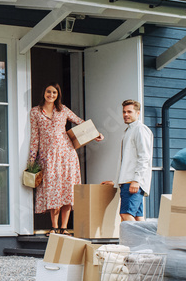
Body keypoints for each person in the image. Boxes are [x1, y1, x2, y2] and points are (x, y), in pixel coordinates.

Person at [28, 83, 102, 236]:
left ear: (58, 95)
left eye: (54, 92)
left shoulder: (63, 110)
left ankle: (64, 227)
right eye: (49, 92)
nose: (51, 95)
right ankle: (54, 228)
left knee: (67, 190)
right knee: (53, 190)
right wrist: (31, 160)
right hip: (48, 156)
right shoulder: (35, 112)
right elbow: (35, 136)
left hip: (67, 154)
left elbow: (80, 122)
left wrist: (95, 134)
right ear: (44, 93)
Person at [101, 99, 153, 221]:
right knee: (137, 217)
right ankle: (145, 241)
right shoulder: (129, 130)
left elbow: (144, 156)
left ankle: (133, 241)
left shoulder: (140, 129)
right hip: (128, 181)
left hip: (132, 182)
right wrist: (115, 181)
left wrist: (136, 180)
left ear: (138, 113)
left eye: (129, 112)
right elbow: (126, 161)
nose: (125, 115)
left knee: (126, 214)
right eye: (124, 112)